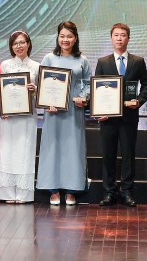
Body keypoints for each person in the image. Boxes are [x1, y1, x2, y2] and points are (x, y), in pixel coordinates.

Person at [94, 23, 147, 207]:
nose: (119, 38)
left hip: (129, 117)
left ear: (128, 38)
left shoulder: (138, 61)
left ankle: (127, 192)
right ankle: (109, 192)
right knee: (108, 156)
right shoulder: (103, 62)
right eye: (116, 35)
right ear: (111, 38)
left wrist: (139, 101)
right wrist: (99, 111)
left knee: (128, 156)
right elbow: (97, 89)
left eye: (123, 35)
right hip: (108, 119)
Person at [36, 21, 91, 206]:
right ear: (57, 38)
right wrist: (46, 103)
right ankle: (53, 189)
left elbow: (88, 83)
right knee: (52, 148)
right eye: (62, 36)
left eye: (69, 36)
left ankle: (71, 190)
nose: (65, 40)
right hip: (53, 111)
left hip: (74, 110)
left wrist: (84, 97)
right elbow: (42, 84)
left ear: (75, 38)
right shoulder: (49, 58)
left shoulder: (82, 60)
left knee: (72, 149)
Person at [0, 31, 39, 204]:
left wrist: (35, 90)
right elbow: (1, 91)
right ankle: (7, 193)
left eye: (22, 42)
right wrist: (2, 108)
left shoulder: (36, 66)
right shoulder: (5, 65)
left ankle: (23, 193)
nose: (19, 46)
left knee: (25, 151)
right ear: (11, 46)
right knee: (8, 150)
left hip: (28, 117)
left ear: (28, 44)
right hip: (9, 117)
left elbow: (42, 94)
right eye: (15, 43)